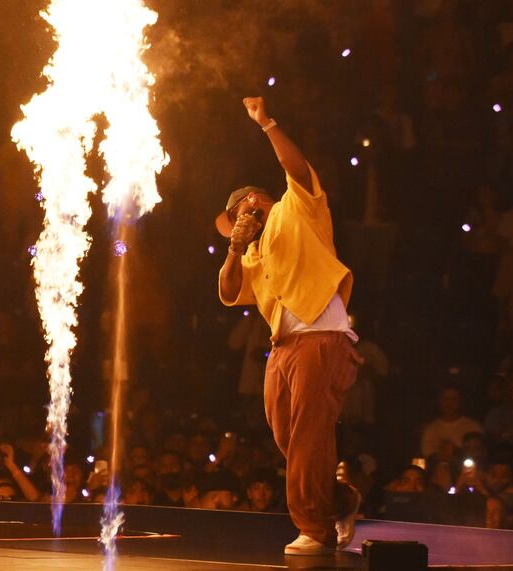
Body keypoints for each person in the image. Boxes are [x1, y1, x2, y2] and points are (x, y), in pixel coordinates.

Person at [217, 96, 362, 555]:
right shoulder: (253, 251)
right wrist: (233, 249)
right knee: (286, 433)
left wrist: (267, 123)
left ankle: (314, 531)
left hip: (321, 335)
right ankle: (338, 500)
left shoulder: (295, 209)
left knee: (307, 436)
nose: (238, 225)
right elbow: (227, 291)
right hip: (283, 347)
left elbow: (297, 168)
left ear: (253, 203)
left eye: (240, 215)